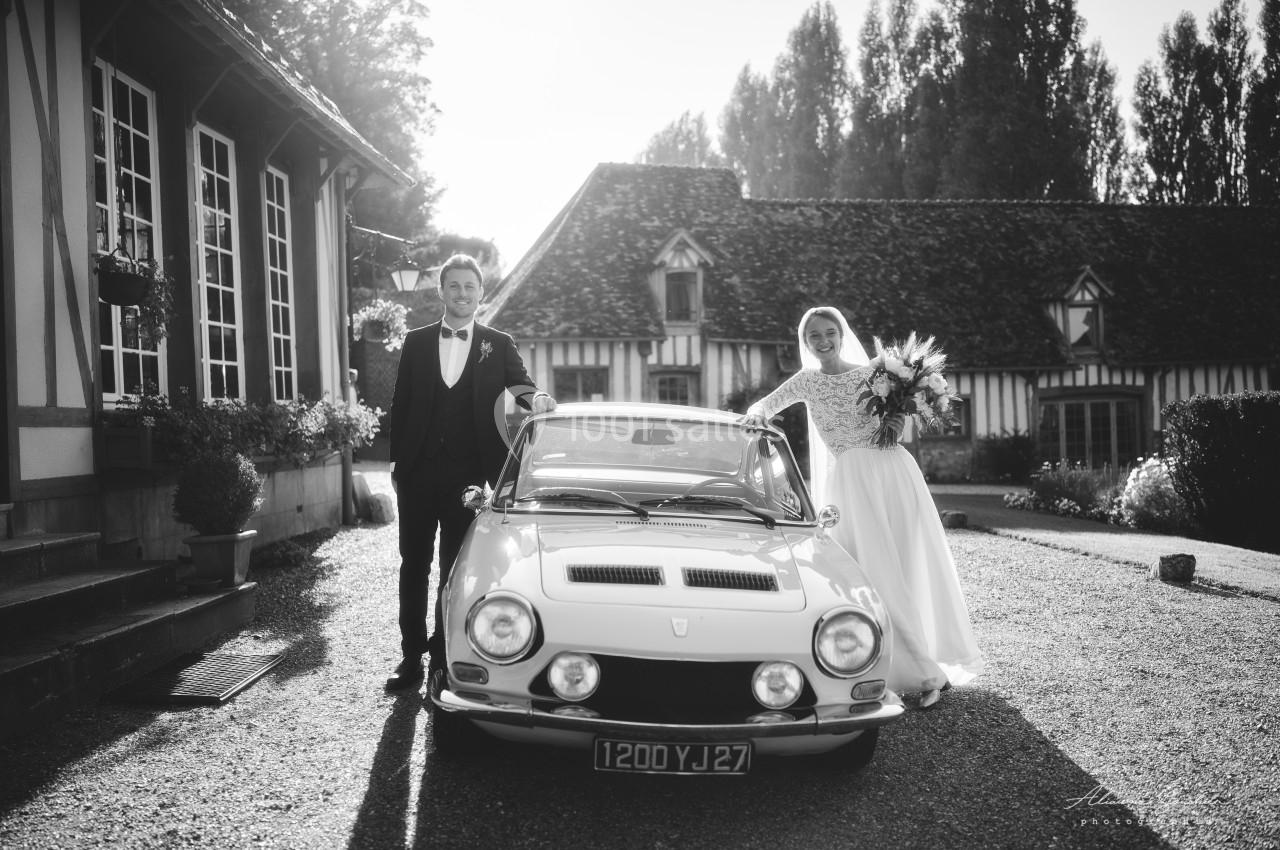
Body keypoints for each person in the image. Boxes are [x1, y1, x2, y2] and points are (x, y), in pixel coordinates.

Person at [743, 306, 982, 708]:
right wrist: (754, 418)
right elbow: (762, 406)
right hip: (850, 483)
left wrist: (900, 418)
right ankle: (892, 668)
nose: (823, 341)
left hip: (894, 475)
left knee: (905, 564)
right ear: (805, 343)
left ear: (841, 333)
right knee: (866, 573)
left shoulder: (876, 371)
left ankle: (926, 670)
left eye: (829, 332)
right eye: (813, 336)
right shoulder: (807, 381)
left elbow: (916, 406)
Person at [385, 253, 555, 691]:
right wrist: (396, 463)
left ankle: (443, 656)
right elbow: (400, 404)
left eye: (470, 287)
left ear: (481, 293)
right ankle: (410, 658)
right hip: (418, 472)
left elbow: (521, 386)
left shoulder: (497, 343)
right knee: (413, 565)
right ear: (442, 291)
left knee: (453, 570)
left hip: (468, 476)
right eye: (454, 286)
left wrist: (536, 400)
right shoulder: (417, 342)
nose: (462, 294)